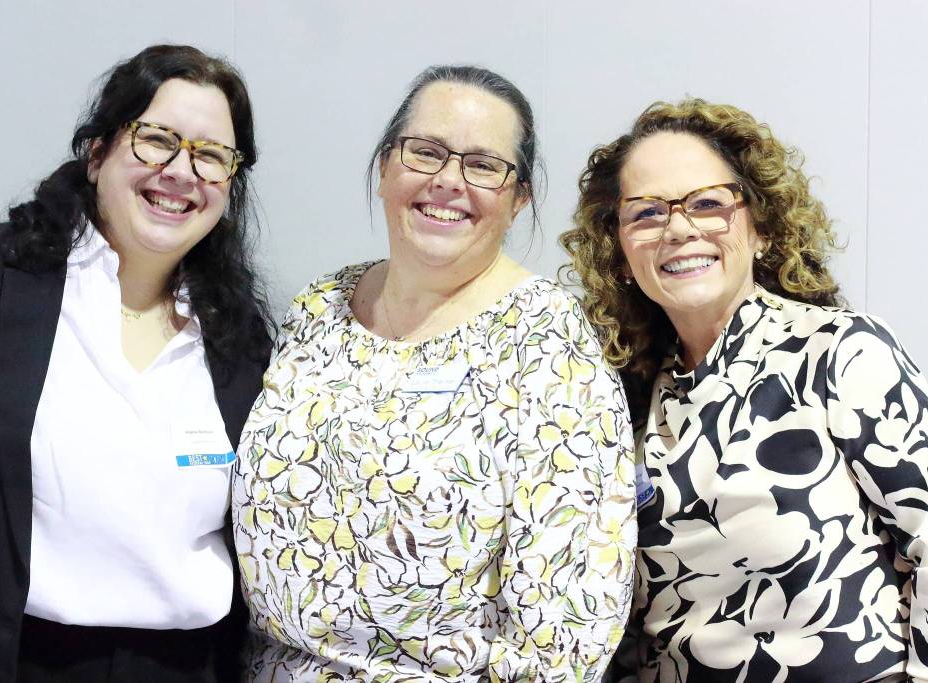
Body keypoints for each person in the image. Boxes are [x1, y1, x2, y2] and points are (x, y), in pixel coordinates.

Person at [232, 65, 636, 682]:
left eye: (483, 165)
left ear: (519, 199)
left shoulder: (548, 344)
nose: (448, 181)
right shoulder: (319, 308)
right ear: (384, 169)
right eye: (425, 152)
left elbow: (566, 637)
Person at [0, 45, 273, 682]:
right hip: (10, 660)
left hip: (186, 669)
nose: (181, 171)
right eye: (156, 139)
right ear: (97, 150)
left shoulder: (239, 342)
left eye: (211, 156)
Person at [561, 98, 928, 682]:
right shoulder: (622, 399)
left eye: (707, 203)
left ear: (761, 227)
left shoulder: (837, 352)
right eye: (647, 213)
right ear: (619, 251)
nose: (679, 228)